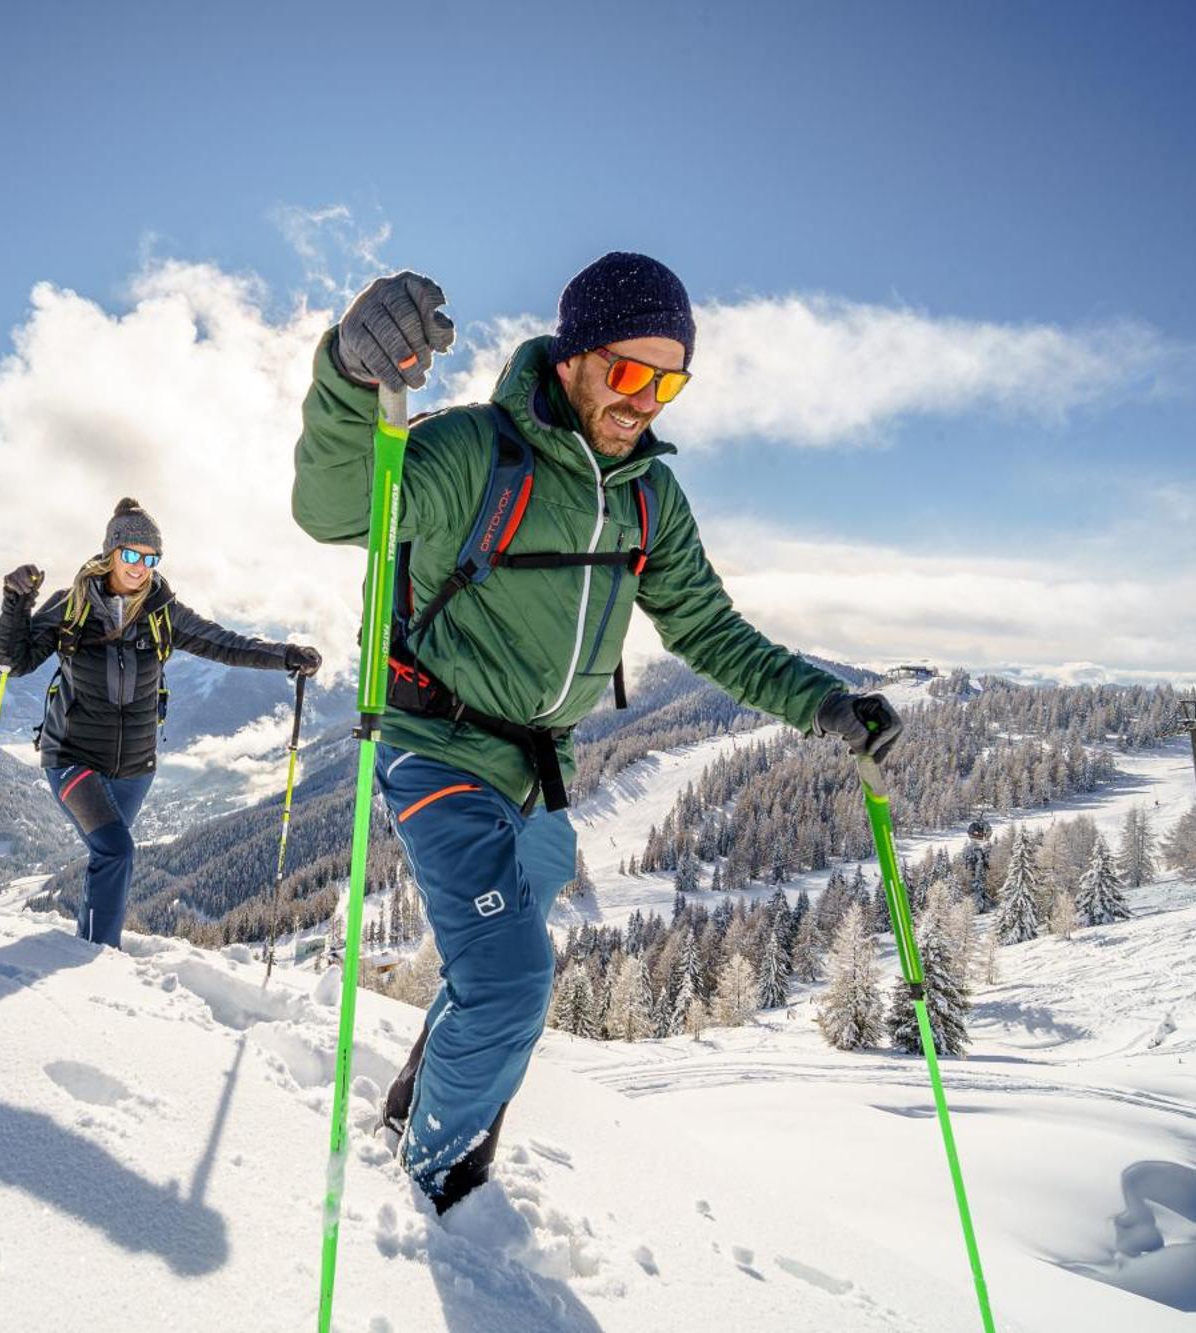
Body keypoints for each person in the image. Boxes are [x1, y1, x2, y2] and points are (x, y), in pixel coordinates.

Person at [291, 254, 903, 1212]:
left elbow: (709, 631)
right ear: (574, 356)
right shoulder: (472, 454)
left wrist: (824, 703)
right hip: (438, 745)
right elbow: (337, 511)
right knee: (511, 980)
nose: (645, 402)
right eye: (628, 372)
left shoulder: (650, 500)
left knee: (494, 965)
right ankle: (436, 1186)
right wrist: (346, 374)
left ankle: (411, 1109)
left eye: (669, 382)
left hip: (545, 771)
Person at [0, 497, 321, 949]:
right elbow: (14, 660)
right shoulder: (71, 606)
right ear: (111, 551)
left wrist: (284, 655)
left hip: (135, 768)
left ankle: (83, 946)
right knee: (117, 850)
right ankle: (99, 956)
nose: (140, 566)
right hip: (72, 755)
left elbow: (223, 644)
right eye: (131, 554)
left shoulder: (164, 612)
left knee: (105, 856)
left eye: (151, 558)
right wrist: (16, 603)